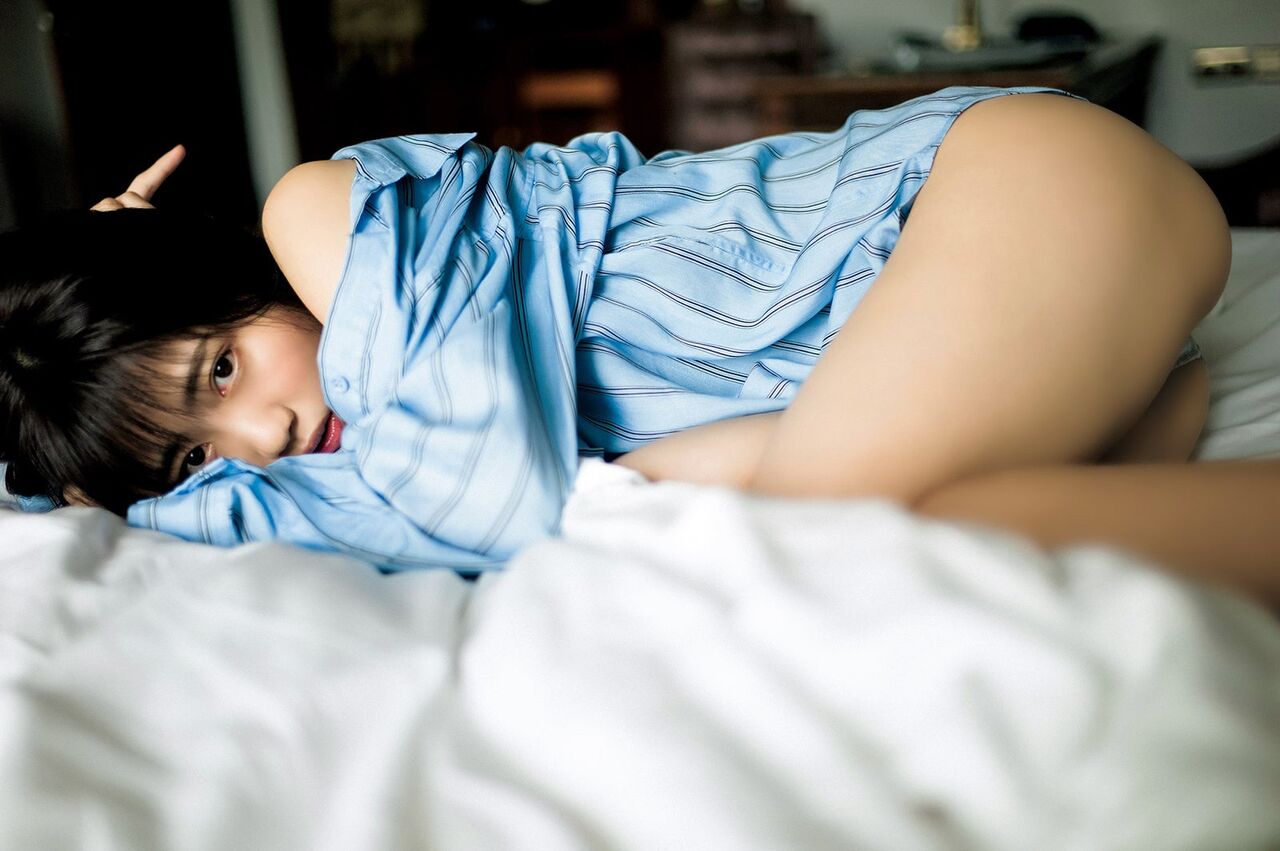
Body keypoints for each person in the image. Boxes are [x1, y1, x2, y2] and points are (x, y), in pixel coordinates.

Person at [2, 86, 1273, 604]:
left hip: (996, 186)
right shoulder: (407, 436)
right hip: (1030, 300)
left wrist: (154, 489)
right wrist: (96, 476)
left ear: (227, 279)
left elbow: (479, 509)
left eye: (221, 369)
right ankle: (1123, 426)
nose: (262, 437)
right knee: (851, 527)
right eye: (194, 459)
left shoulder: (321, 215)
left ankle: (1121, 434)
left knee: (818, 540)